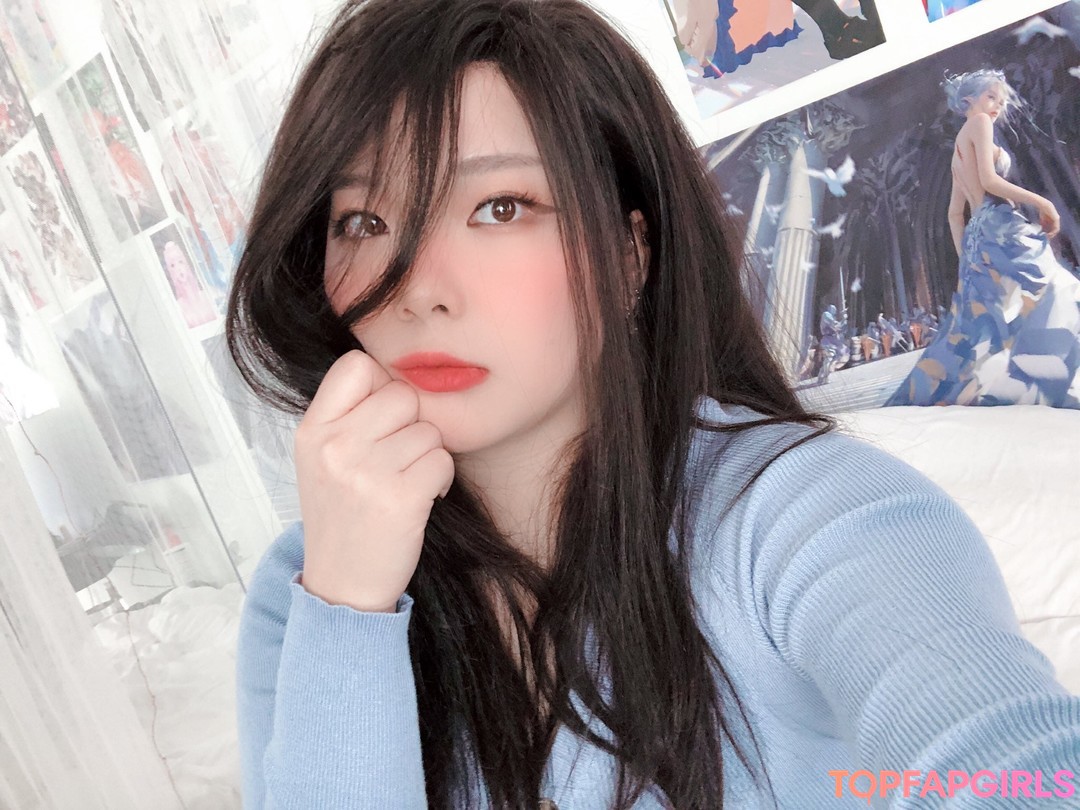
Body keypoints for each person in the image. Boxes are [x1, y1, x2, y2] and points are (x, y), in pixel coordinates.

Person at [228, 3, 1080, 808]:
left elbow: (1008, 764)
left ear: (629, 255)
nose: (417, 290)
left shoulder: (804, 513)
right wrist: (348, 609)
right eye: (363, 222)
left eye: (500, 208)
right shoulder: (310, 581)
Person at [887, 69, 1080, 408]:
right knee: (1054, 289)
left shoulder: (957, 151)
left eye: (1001, 101)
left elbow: (954, 214)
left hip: (980, 230)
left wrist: (967, 259)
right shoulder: (979, 123)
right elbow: (990, 181)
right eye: (991, 97)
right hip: (1001, 222)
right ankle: (1046, 377)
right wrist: (1043, 203)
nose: (997, 106)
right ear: (968, 100)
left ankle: (1026, 380)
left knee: (999, 311)